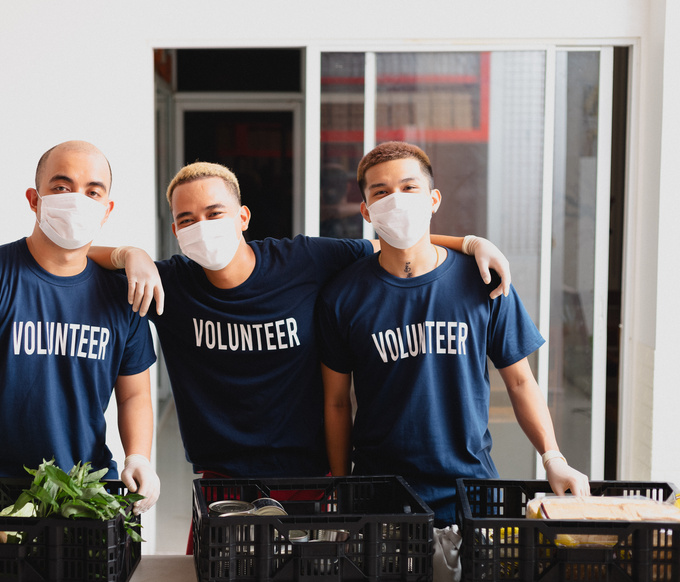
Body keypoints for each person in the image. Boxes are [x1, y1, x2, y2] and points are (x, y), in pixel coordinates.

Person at [94, 161, 511, 482]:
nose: (201, 227)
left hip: (309, 477)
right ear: (174, 229)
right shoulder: (168, 285)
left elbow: (396, 242)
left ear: (243, 217)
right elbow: (74, 260)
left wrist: (468, 243)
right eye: (187, 220)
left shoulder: (304, 260)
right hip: (223, 484)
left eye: (215, 212)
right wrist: (128, 253)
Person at [317, 141, 589, 529]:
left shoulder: (483, 281)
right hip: (378, 493)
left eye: (409, 188)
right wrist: (341, 488)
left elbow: (520, 382)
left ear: (433, 200)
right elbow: (337, 404)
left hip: (471, 490)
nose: (396, 200)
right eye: (381, 192)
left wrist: (553, 459)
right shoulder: (343, 297)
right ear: (365, 210)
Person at [0, 140, 160, 548]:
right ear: (34, 199)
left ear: (107, 208)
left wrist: (139, 457)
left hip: (87, 494)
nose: (78, 199)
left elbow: (135, 396)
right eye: (61, 187)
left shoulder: (123, 295)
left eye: (93, 191)